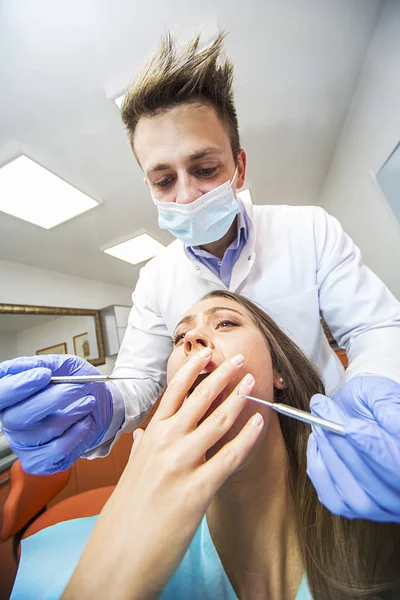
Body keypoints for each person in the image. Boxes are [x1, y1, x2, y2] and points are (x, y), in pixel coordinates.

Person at [1, 33, 400, 521]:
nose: (187, 195)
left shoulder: (309, 228)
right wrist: (99, 407)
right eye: (164, 180)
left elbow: (374, 327)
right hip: (232, 479)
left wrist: (372, 398)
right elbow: (139, 382)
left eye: (205, 168)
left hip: (339, 452)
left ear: (239, 167)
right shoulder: (155, 281)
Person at [11, 292, 400, 600]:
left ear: (279, 371)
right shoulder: (48, 564)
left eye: (225, 323)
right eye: (179, 337)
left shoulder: (375, 523)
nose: (191, 340)